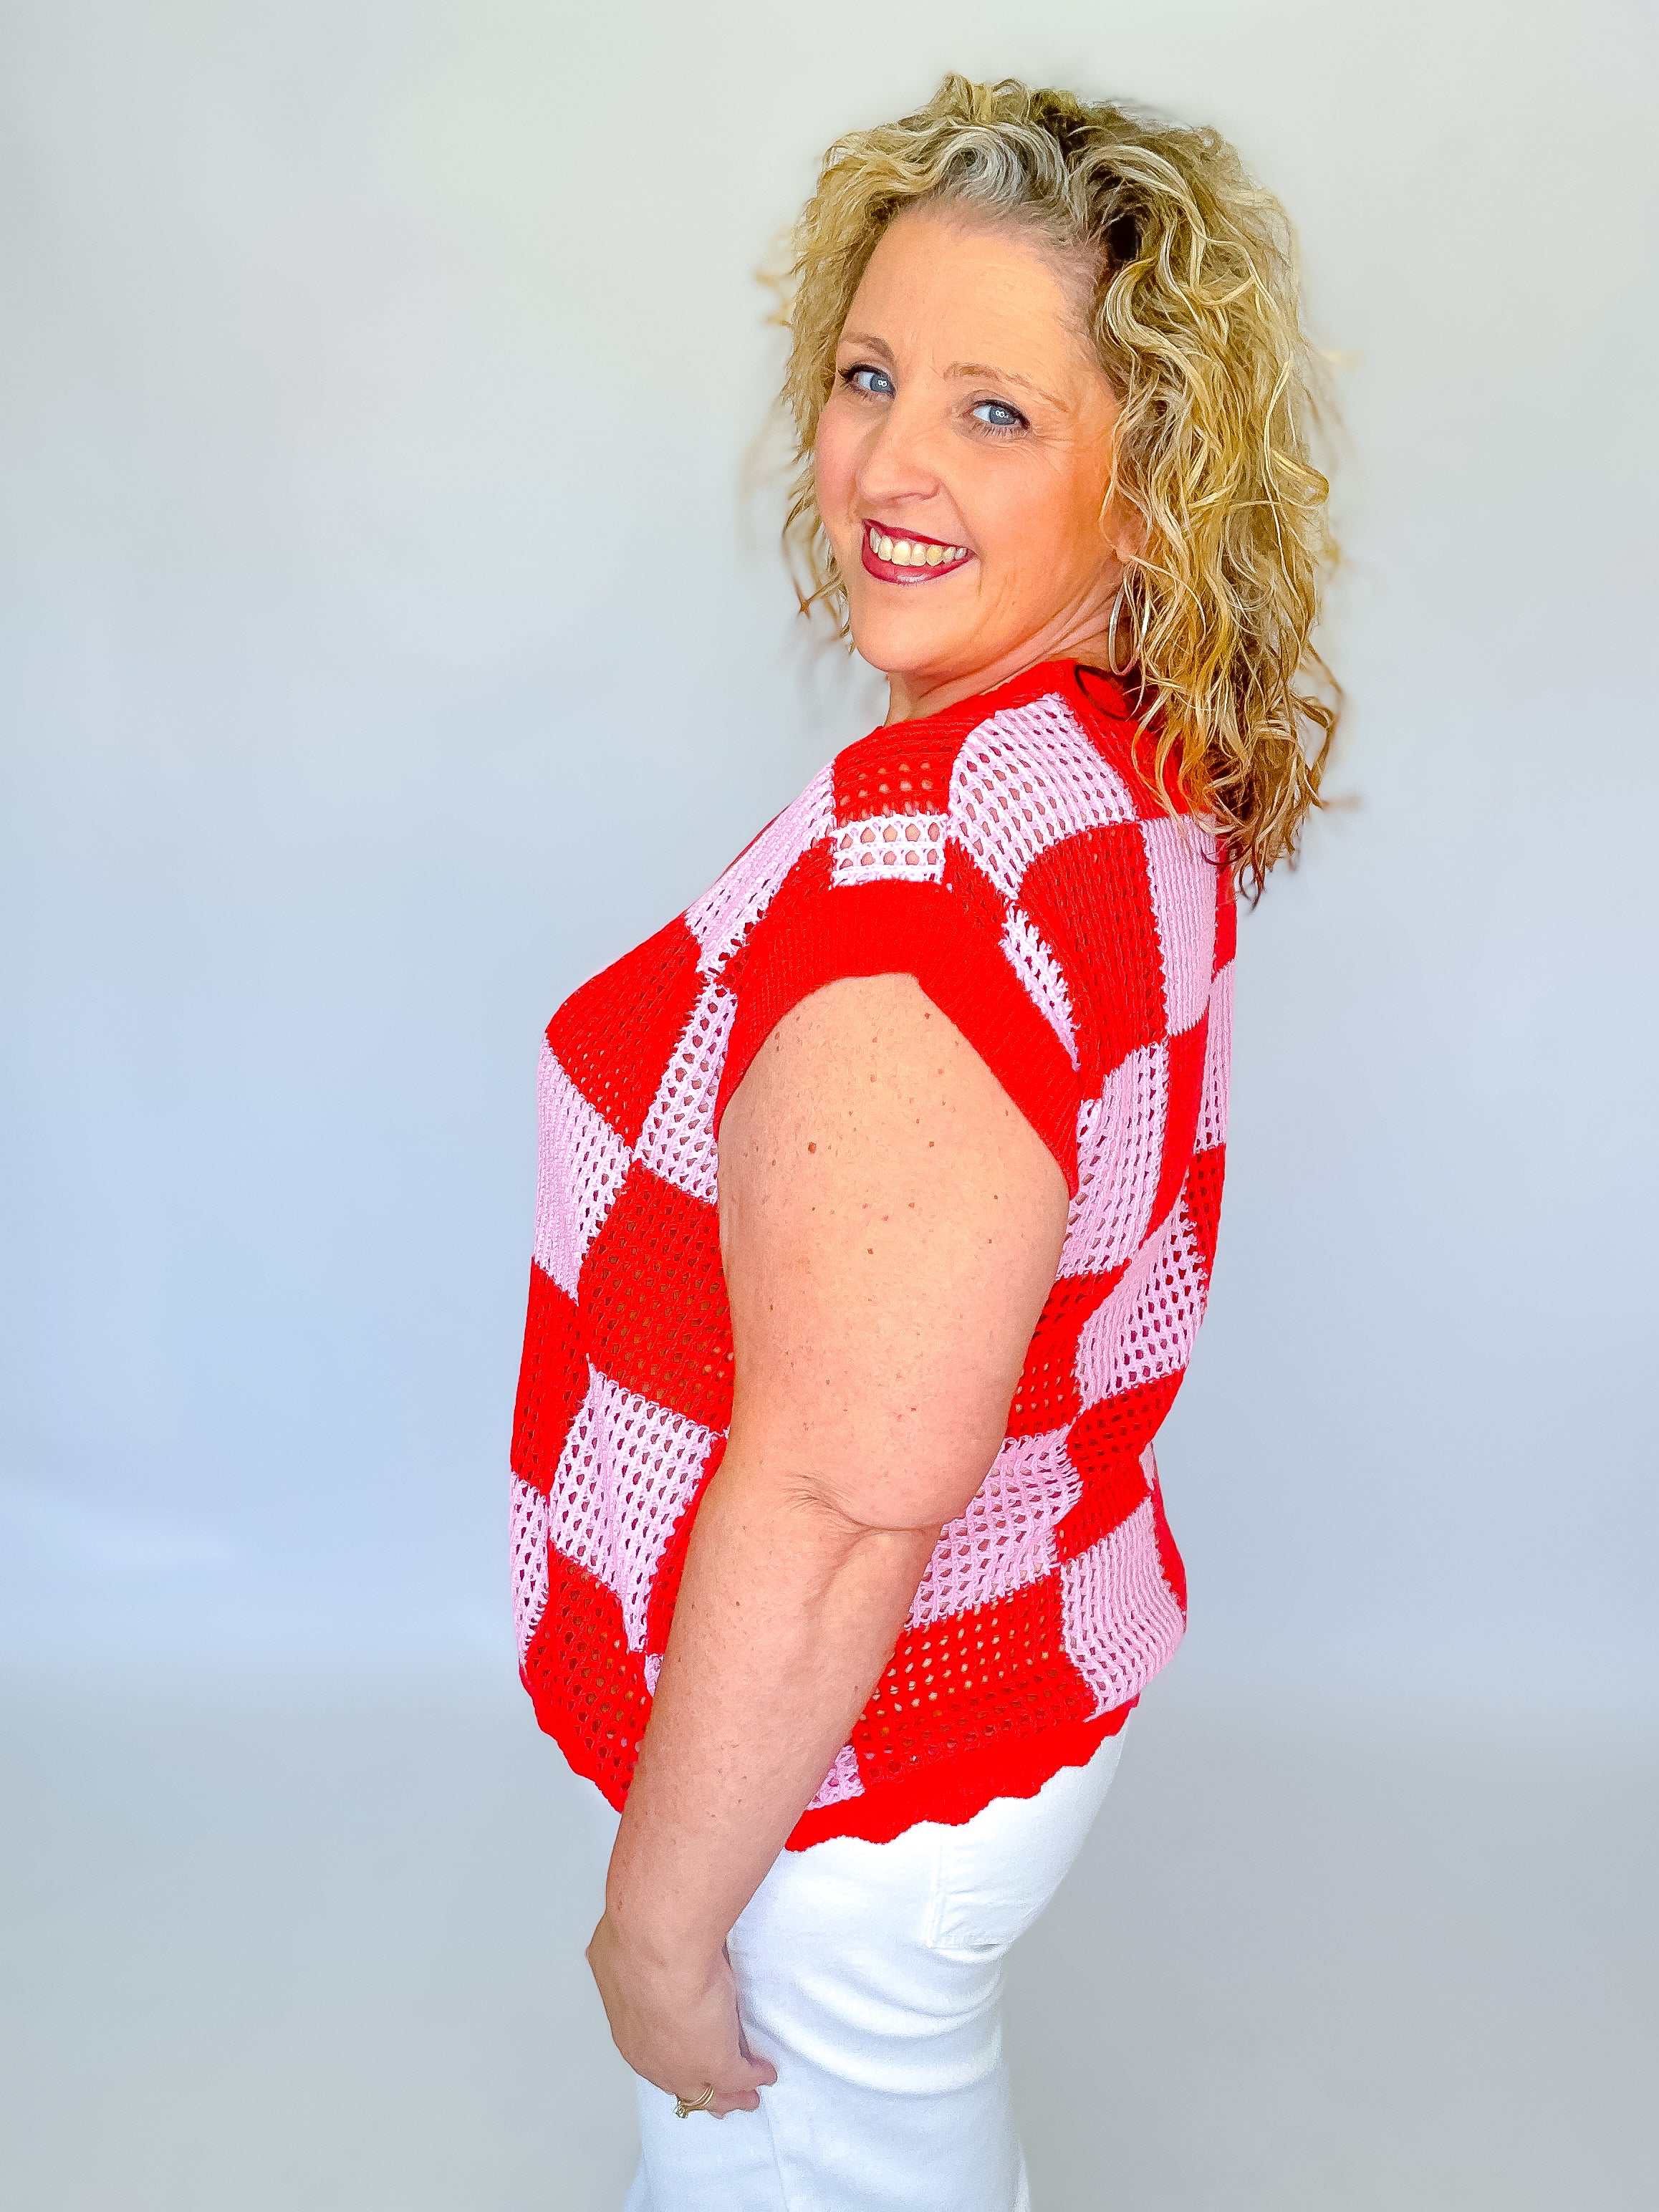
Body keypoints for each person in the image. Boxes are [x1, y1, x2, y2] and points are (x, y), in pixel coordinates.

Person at [509, 73, 1335, 2212]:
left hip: (844, 1786)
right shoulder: (1109, 766)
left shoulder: (923, 884)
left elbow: (838, 1499)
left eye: (995, 411)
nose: (888, 462)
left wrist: (659, 1921)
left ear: (1151, 483)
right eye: (870, 375)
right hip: (1000, 1681)